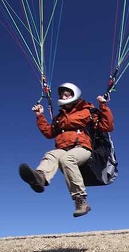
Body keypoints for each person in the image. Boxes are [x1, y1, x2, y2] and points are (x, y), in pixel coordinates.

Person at [19, 82, 114, 217]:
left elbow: (107, 126)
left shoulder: (88, 110)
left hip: (83, 148)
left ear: (74, 95)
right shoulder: (59, 117)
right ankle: (40, 177)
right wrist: (40, 116)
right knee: (51, 154)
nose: (63, 96)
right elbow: (49, 133)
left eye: (66, 94)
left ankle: (80, 200)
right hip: (63, 148)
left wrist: (103, 106)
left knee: (67, 159)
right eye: (62, 94)